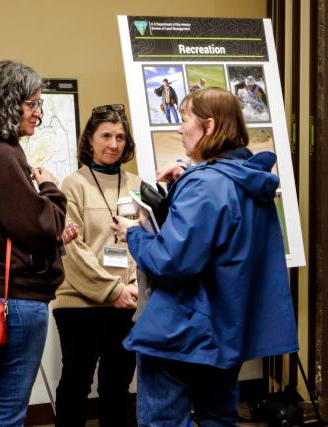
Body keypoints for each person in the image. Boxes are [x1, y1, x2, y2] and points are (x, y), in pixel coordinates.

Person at [111, 87, 298, 426]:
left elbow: (172, 261)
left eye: (184, 121)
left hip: (182, 330)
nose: (180, 129)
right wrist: (178, 189)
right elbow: (217, 244)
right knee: (219, 419)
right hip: (225, 330)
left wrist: (134, 234)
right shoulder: (246, 181)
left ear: (209, 126)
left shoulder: (205, 185)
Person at [0, 60, 77, 427]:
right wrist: (51, 188)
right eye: (32, 104)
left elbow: (9, 225)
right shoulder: (2, 155)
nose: (38, 113)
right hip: (15, 301)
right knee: (7, 413)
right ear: (8, 102)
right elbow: (42, 226)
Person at [53, 103, 140, 427]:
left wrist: (131, 288)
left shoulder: (136, 183)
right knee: (76, 383)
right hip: (80, 302)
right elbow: (71, 248)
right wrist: (111, 289)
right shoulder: (72, 184)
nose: (113, 144)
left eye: (120, 136)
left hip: (126, 301)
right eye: (106, 135)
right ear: (90, 139)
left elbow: (142, 239)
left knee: (118, 386)